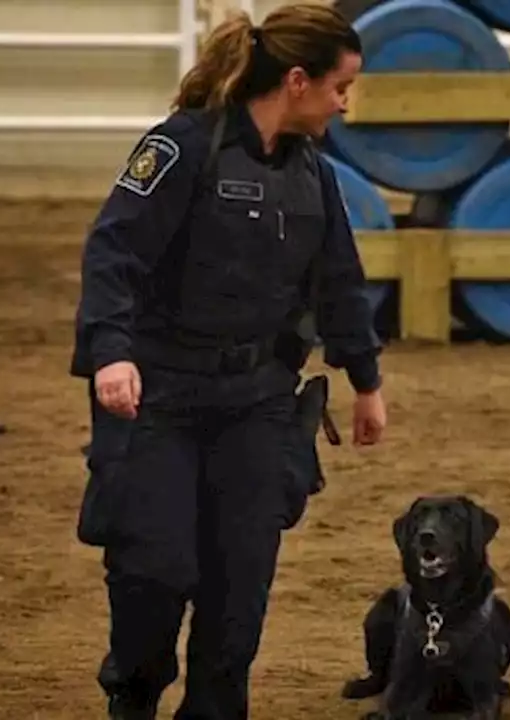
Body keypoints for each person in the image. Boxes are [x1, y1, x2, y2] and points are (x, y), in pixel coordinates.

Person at [67, 3, 387, 718]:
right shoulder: (182, 148)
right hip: (159, 395)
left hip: (260, 400)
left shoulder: (315, 176)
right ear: (298, 81)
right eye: (341, 87)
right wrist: (111, 355)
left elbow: (340, 282)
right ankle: (135, 695)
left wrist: (365, 380)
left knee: (239, 584)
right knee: (155, 569)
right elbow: (112, 253)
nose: (346, 103)